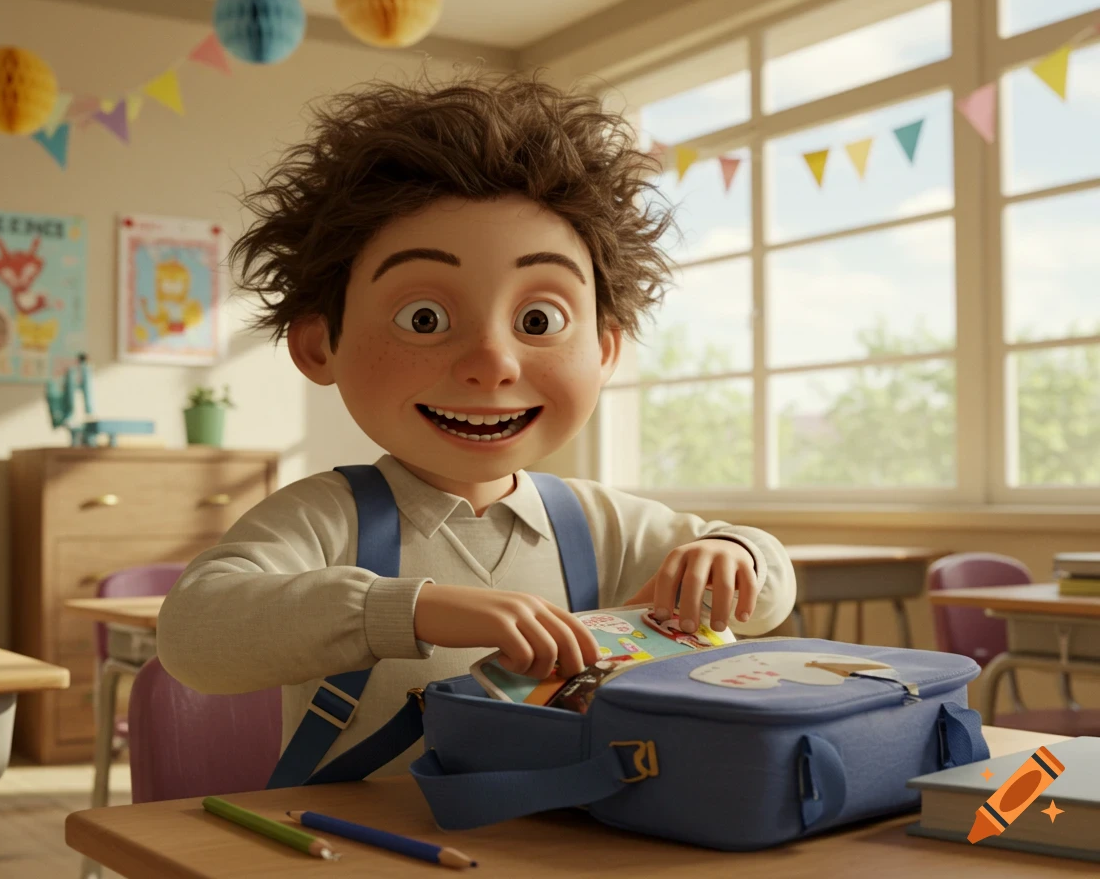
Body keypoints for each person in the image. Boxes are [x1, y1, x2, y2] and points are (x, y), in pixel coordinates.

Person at [157, 69, 797, 781]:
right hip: (355, 836)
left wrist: (734, 553)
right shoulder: (327, 518)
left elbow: (767, 597)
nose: (492, 363)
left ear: (605, 350)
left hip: (556, 831)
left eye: (539, 320)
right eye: (424, 317)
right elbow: (192, 635)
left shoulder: (596, 525)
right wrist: (411, 611)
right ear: (319, 345)